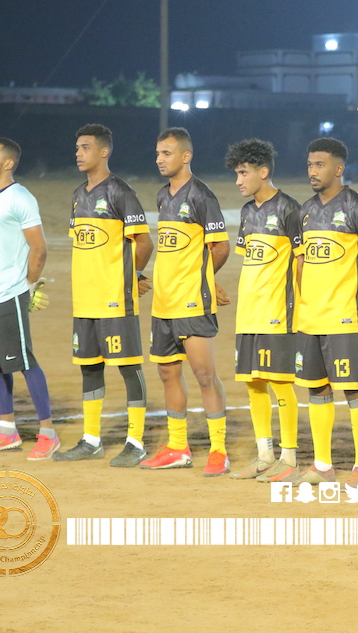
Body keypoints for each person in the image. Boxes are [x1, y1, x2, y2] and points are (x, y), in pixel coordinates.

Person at [54, 124, 154, 467]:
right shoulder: (77, 194)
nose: (78, 153)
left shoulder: (120, 192)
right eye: (77, 148)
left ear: (103, 151)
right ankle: (91, 440)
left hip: (114, 299)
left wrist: (132, 276)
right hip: (85, 300)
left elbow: (144, 242)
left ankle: (135, 442)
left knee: (128, 367)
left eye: (85, 147)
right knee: (90, 369)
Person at [139, 127, 231, 476]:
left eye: (166, 153)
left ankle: (219, 451)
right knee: (167, 372)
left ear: (185, 156)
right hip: (163, 302)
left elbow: (220, 246)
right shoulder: (163, 196)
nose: (159, 159)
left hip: (192, 302)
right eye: (157, 153)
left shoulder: (202, 196)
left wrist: (203, 279)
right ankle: (178, 447)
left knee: (205, 374)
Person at [293, 137, 358, 487]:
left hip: (344, 316)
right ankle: (322, 465)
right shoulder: (304, 211)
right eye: (310, 164)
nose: (312, 171)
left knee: (354, 389)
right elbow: (300, 263)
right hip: (310, 317)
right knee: (316, 389)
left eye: (320, 165)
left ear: (339, 168)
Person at [0, 138, 58, 459]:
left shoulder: (20, 197)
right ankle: (7, 431)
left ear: (7, 163)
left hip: (9, 294)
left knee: (25, 362)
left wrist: (29, 286)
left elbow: (39, 248)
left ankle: (48, 433)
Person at [224, 138, 302, 483]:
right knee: (254, 384)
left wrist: (301, 306)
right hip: (248, 313)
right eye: (237, 174)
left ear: (263, 172)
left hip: (277, 312)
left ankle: (289, 457)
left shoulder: (289, 209)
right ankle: (265, 456)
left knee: (280, 384)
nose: (238, 181)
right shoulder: (247, 212)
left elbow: (301, 263)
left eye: (243, 173)